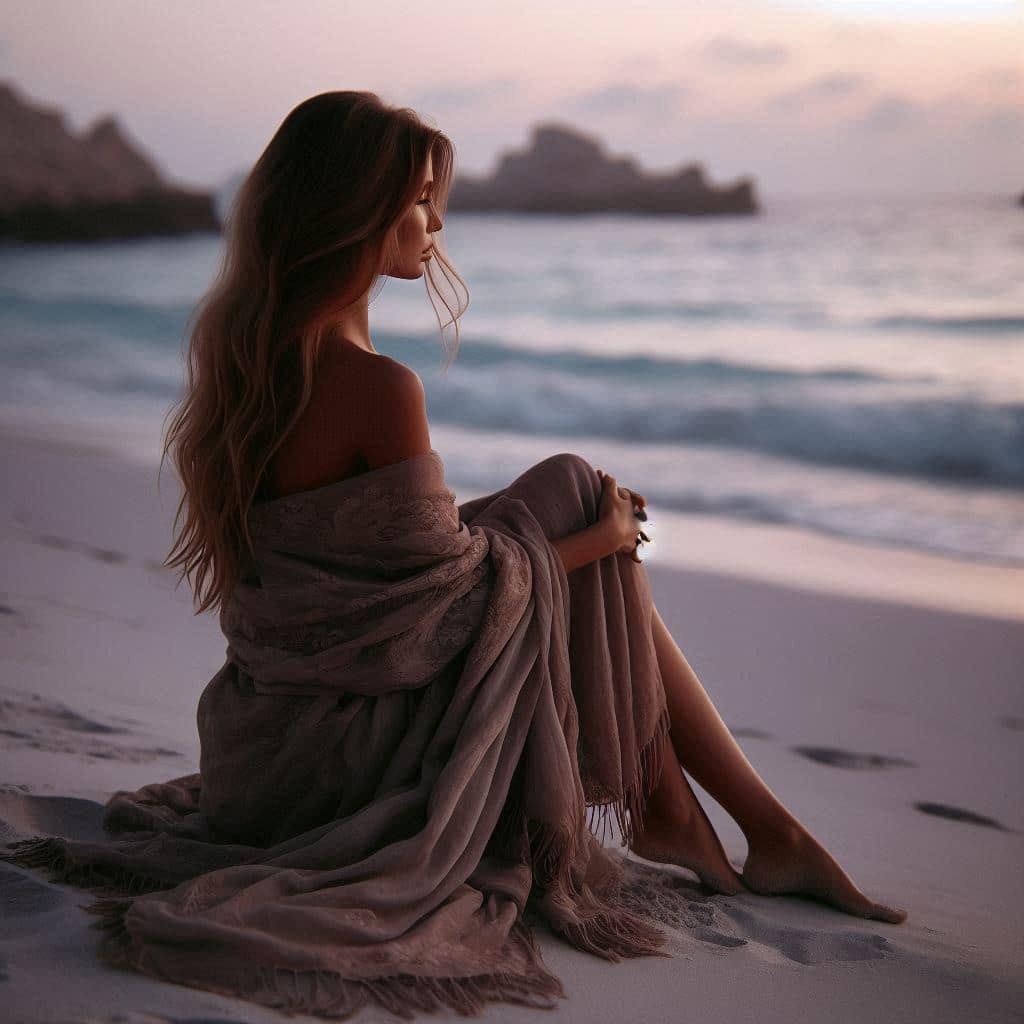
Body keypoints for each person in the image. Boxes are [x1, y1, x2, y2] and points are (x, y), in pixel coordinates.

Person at [163, 90, 904, 925]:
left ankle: (695, 817)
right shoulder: (374, 386)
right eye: (417, 202)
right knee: (578, 506)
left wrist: (587, 528)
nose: (435, 226)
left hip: (264, 747)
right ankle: (740, 827)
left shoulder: (250, 357)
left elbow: (391, 575)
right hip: (340, 761)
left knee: (566, 491)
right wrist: (606, 537)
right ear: (359, 212)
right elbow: (440, 611)